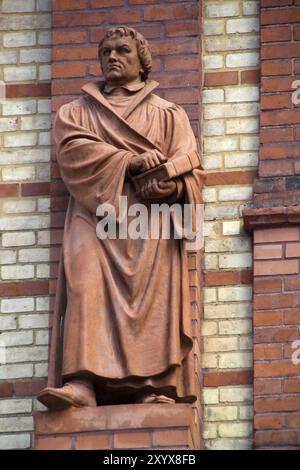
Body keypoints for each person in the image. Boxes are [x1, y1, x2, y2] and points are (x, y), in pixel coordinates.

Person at [37, 26, 204, 410]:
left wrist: (172, 188)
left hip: (149, 222)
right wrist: (128, 161)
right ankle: (81, 382)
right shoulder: (76, 112)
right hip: (95, 215)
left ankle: (150, 385)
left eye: (122, 50)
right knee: (85, 286)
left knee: (150, 300)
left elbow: (191, 174)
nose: (112, 57)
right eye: (106, 51)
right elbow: (73, 152)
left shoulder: (169, 114)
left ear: (141, 59)